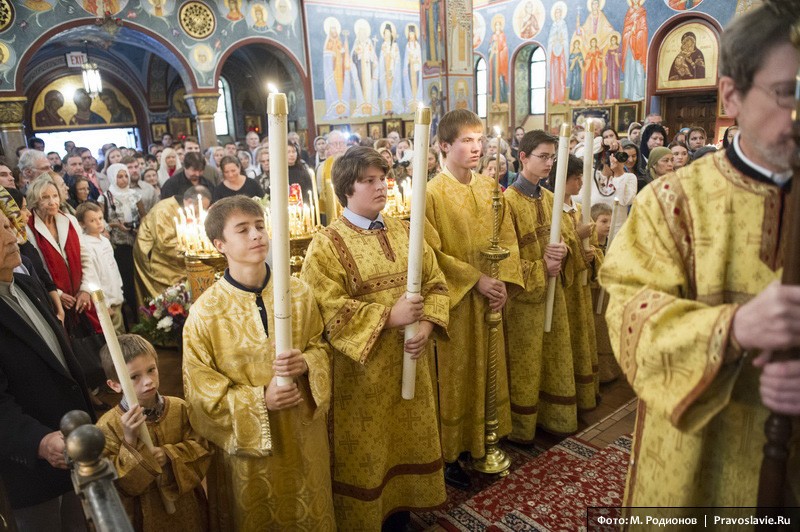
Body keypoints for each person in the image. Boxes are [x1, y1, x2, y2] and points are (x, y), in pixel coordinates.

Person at [601, 3, 800, 510]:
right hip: (693, 464)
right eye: (787, 92)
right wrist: (730, 330)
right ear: (732, 94)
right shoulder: (672, 202)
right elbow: (629, 316)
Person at [302, 147, 448, 530]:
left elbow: (436, 283)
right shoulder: (327, 244)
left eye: (382, 178)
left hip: (410, 361)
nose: (381, 186)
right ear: (347, 188)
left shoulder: (403, 229)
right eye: (369, 180)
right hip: (361, 381)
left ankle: (401, 516)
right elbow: (325, 309)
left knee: (405, 448)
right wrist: (388, 317)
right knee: (368, 459)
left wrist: (428, 324)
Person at [183, 196, 335, 530]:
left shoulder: (299, 292)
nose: (256, 235)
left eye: (260, 226)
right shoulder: (205, 313)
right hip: (250, 458)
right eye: (243, 230)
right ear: (220, 244)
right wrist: (258, 401)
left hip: (302, 433)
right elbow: (200, 395)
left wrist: (307, 363)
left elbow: (320, 347)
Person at [424, 109, 523, 488]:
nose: (476, 147)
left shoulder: (488, 188)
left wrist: (503, 285)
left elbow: (507, 238)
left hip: (489, 300)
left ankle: (485, 439)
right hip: (456, 304)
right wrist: (476, 279)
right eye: (466, 140)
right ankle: (451, 454)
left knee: (489, 367)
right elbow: (430, 253)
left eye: (480, 140)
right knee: (456, 376)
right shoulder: (431, 193)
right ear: (444, 146)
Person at [0, 208, 95, 532]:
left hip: (73, 445)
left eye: (7, 227)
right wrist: (39, 442)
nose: (11, 237)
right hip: (33, 463)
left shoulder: (26, 284)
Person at [503, 130, 578, 440]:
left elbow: (567, 238)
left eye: (552, 157)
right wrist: (539, 268)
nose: (549, 163)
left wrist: (564, 250)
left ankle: (552, 416)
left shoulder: (550, 197)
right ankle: (522, 428)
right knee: (525, 363)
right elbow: (502, 261)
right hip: (523, 301)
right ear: (523, 158)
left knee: (552, 355)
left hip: (553, 294)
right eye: (543, 156)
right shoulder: (506, 202)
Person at [97, 334, 211, 530]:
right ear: (115, 384)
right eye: (134, 377)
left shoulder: (179, 408)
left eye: (151, 370)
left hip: (186, 508)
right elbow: (115, 485)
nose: (148, 381)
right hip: (143, 515)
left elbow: (202, 449)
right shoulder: (107, 426)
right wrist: (130, 442)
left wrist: (169, 455)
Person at [25, 177, 101, 337]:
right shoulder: (28, 228)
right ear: (35, 201)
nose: (52, 202)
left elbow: (85, 257)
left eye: (55, 196)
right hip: (55, 300)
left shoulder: (69, 220)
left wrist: (85, 289)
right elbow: (36, 268)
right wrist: (58, 294)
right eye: (45, 197)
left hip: (81, 296)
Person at [557, 155, 599, 412]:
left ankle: (585, 389)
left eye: (582, 177)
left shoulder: (580, 208)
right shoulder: (554, 209)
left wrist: (593, 254)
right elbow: (556, 248)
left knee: (582, 334)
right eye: (575, 178)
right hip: (565, 287)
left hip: (581, 286)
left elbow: (590, 248)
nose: (580, 182)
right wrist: (576, 237)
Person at [134, 187, 211, 306]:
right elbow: (165, 243)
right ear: (190, 202)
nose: (202, 212)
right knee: (174, 294)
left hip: (176, 255)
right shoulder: (164, 210)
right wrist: (196, 252)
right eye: (202, 207)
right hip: (156, 258)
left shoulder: (185, 210)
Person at [99, 164, 145, 325]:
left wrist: (139, 228)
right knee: (124, 281)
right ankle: (129, 319)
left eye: (125, 176)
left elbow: (144, 216)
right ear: (112, 177)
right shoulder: (105, 197)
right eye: (119, 176)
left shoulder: (135, 195)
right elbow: (100, 222)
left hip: (135, 242)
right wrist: (115, 225)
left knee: (137, 279)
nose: (124, 179)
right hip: (118, 245)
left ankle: (141, 315)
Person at [76, 202, 124, 334]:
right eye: (92, 220)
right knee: (114, 336)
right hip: (106, 301)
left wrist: (119, 289)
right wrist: (104, 304)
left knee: (121, 331)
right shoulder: (86, 245)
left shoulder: (105, 241)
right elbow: (94, 276)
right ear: (82, 224)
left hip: (116, 295)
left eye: (100, 218)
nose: (98, 223)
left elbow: (113, 268)